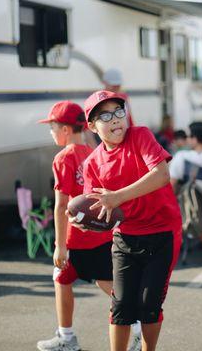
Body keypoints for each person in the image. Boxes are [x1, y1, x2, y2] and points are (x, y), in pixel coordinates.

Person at [36, 101, 141, 351]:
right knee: (84, 278)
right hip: (100, 231)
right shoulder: (93, 151)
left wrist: (59, 246)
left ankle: (69, 337)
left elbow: (61, 206)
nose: (51, 132)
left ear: (64, 129)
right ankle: (70, 335)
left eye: (52, 127)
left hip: (78, 236)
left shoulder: (63, 158)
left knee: (71, 275)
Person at [81, 90, 182, 351]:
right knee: (121, 305)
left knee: (149, 306)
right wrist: (83, 220)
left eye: (118, 112)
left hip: (163, 233)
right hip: (125, 236)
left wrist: (117, 197)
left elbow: (161, 176)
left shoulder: (140, 136)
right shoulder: (92, 163)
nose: (115, 119)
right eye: (105, 115)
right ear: (92, 126)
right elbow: (95, 208)